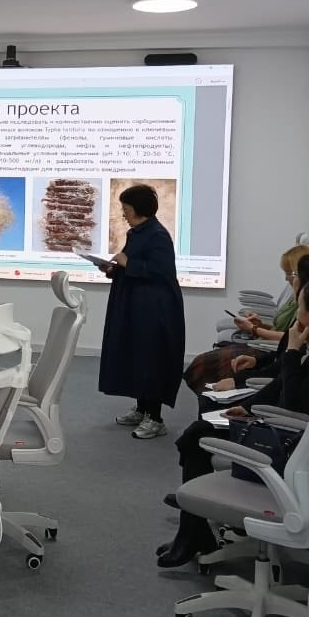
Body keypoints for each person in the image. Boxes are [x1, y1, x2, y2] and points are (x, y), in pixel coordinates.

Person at [156, 276, 309, 568]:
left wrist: (292, 352)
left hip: (290, 450)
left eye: (300, 309)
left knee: (198, 437)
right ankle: (192, 532)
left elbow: (293, 401)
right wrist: (246, 406)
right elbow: (281, 385)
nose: (296, 317)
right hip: (302, 445)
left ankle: (192, 535)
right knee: (199, 433)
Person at [100, 184, 186, 439]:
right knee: (135, 355)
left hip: (155, 309)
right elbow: (132, 265)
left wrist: (127, 262)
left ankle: (155, 418)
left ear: (139, 209)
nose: (123, 213)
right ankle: (141, 409)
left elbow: (162, 271)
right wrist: (114, 268)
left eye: (126, 209)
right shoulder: (137, 232)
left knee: (151, 359)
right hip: (135, 305)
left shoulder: (158, 235)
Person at [181, 244, 309, 395]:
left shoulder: (305, 304)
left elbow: (287, 338)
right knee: (208, 363)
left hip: (270, 348)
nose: (286, 278)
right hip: (271, 349)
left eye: (290, 274)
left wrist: (254, 329)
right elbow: (284, 333)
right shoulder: (295, 299)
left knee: (205, 364)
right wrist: (260, 325)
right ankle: (210, 395)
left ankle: (212, 395)